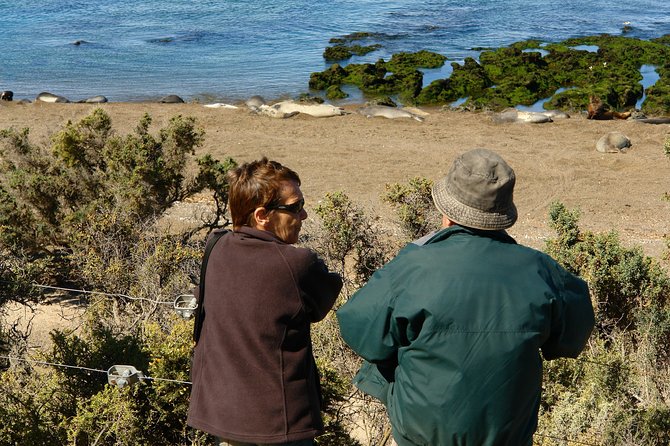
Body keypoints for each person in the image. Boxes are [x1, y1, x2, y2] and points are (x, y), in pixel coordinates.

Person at [336, 148, 595, 446]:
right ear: (502, 215)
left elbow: (359, 330)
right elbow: (573, 336)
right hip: (509, 434)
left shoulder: (414, 265)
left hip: (422, 435)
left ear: (446, 212)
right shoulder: (541, 269)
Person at [187, 157, 343, 446]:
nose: (304, 215)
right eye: (295, 207)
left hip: (224, 419)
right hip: (280, 425)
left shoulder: (216, 247)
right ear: (262, 215)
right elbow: (325, 295)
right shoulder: (297, 263)